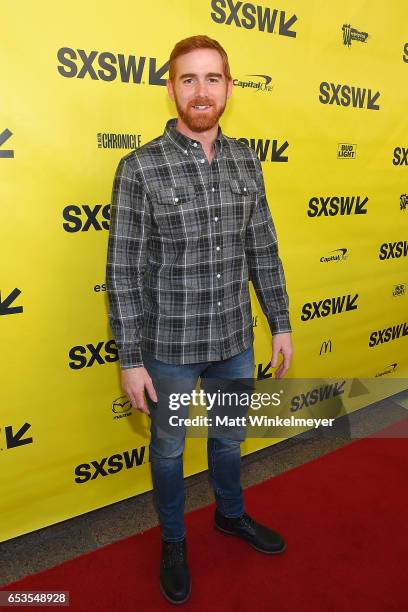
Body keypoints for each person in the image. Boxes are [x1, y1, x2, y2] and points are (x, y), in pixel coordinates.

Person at [106, 34, 293, 605]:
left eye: (213, 78)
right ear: (171, 89)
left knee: (230, 441)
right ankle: (173, 539)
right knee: (167, 451)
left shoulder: (245, 159)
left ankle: (230, 517)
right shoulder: (140, 167)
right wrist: (130, 359)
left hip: (235, 337)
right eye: (188, 79)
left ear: (230, 87)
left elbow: (262, 246)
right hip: (170, 347)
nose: (201, 90)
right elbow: (122, 271)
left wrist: (280, 321)